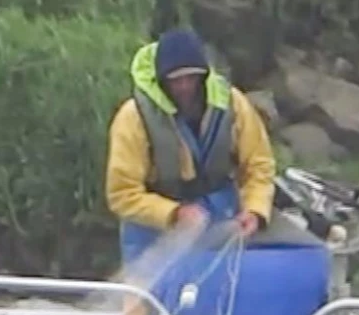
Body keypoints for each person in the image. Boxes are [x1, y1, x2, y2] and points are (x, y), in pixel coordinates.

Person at [105, 27, 277, 267]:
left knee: (216, 296)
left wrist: (255, 210)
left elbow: (259, 165)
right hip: (152, 230)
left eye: (192, 77)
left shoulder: (233, 103)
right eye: (176, 80)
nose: (185, 87)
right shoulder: (132, 117)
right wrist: (174, 213)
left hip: (218, 220)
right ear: (161, 80)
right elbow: (121, 194)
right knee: (147, 301)